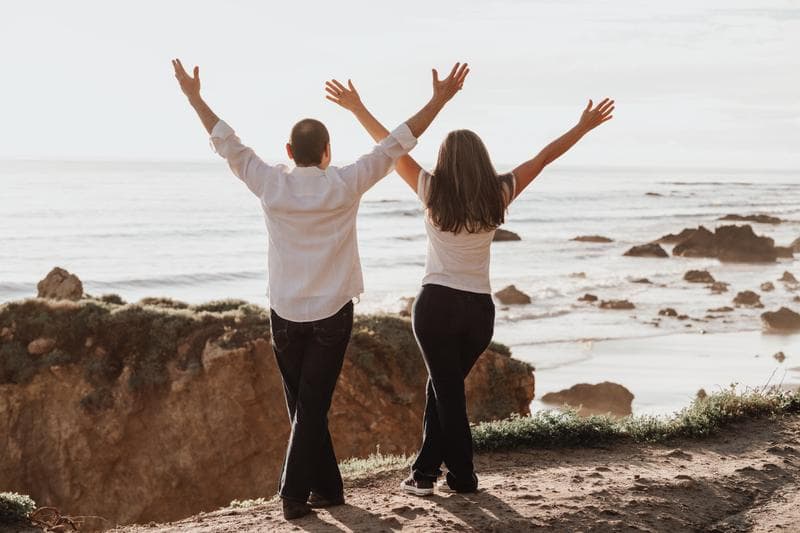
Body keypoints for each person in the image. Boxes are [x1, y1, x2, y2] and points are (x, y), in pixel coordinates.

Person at [171, 58, 469, 519]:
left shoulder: (270, 181)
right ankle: (311, 492)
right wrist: (439, 100)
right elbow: (397, 142)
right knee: (308, 407)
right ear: (328, 151)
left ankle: (310, 491)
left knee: (305, 406)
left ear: (289, 150)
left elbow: (227, 142)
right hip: (332, 314)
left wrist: (194, 98)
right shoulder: (346, 182)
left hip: (285, 313)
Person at [326, 76, 614, 495]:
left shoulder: (431, 189)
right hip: (479, 312)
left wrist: (357, 108)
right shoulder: (500, 192)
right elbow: (543, 157)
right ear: (482, 160)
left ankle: (462, 476)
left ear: (445, 160)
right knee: (442, 389)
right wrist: (582, 127)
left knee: (447, 393)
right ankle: (424, 473)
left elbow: (391, 147)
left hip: (437, 307)